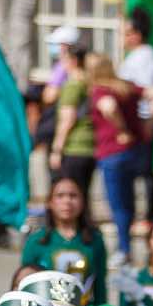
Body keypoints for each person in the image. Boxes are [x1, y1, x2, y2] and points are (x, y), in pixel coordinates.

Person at [83, 53, 143, 264]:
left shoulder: (100, 91)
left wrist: (121, 129)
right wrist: (149, 127)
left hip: (111, 152)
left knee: (118, 204)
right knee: (129, 202)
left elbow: (109, 107)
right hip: (131, 151)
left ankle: (123, 249)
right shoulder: (126, 87)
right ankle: (126, 248)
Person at [22, 174, 111, 306]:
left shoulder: (95, 240)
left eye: (73, 196)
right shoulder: (36, 241)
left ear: (83, 201)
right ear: (50, 203)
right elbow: (25, 287)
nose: (67, 201)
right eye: (60, 195)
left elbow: (100, 288)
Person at [116, 8, 153, 240]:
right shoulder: (136, 56)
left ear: (136, 34)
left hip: (145, 120)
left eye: (126, 33)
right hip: (137, 120)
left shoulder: (145, 57)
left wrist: (148, 125)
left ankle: (148, 217)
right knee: (137, 169)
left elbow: (148, 93)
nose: (123, 38)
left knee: (145, 170)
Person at [46, 35, 96, 194]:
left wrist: (57, 150)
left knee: (71, 195)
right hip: (90, 146)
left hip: (74, 147)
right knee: (83, 196)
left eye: (64, 59)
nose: (62, 63)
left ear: (73, 61)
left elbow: (67, 119)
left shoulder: (72, 85)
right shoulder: (90, 83)